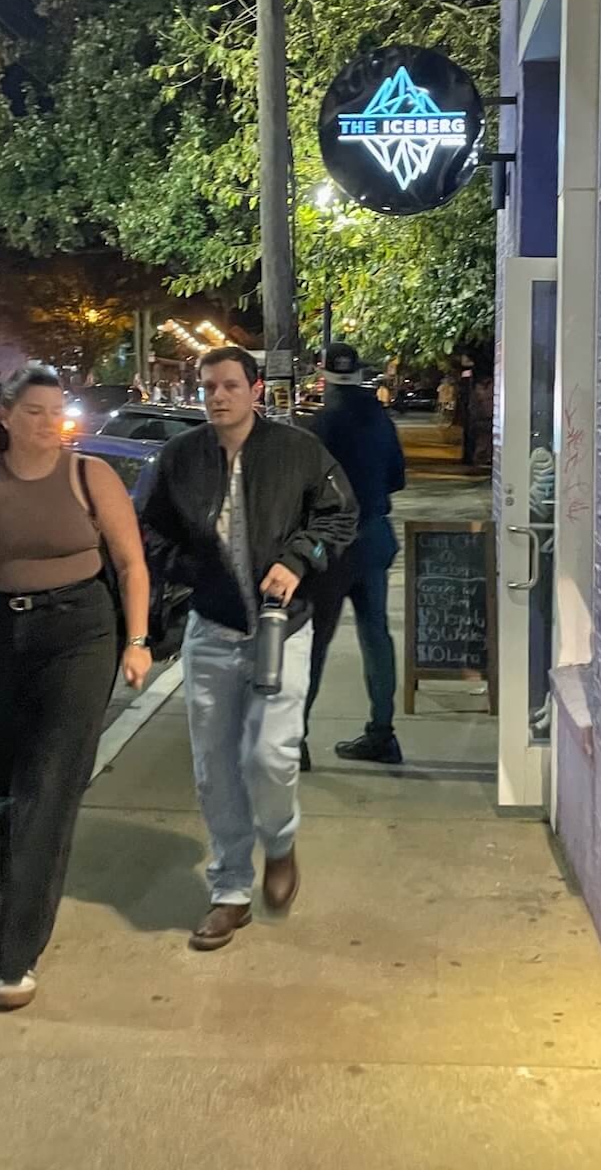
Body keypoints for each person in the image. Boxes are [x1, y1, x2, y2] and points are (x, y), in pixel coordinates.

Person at [0, 363, 152, 1011]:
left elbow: (131, 564)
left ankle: (14, 954)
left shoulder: (90, 476)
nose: (48, 425)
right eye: (34, 412)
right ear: (6, 414)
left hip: (79, 634)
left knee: (46, 789)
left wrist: (137, 640)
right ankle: (1, 845)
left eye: (56, 413)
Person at [142, 346, 357, 952]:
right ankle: (230, 889)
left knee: (269, 755)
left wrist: (297, 561)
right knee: (215, 768)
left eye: (230, 386)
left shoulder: (297, 452)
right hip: (211, 632)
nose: (218, 397)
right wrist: (186, 568)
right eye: (209, 386)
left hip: (281, 630)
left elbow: (341, 516)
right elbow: (147, 527)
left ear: (255, 389)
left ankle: (281, 844)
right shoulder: (180, 459)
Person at [304, 342, 407, 768]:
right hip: (374, 537)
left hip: (332, 544)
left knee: (313, 641)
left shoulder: (318, 423)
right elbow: (397, 479)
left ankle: (294, 738)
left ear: (322, 372)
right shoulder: (379, 418)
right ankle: (382, 732)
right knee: (376, 635)